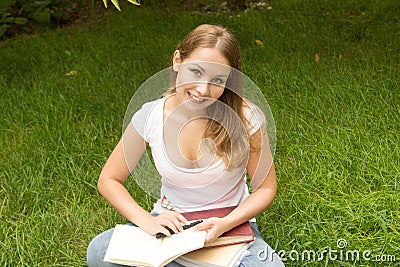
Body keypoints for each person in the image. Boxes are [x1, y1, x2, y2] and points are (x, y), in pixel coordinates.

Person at [87, 24, 284, 266]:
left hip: (230, 226)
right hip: (172, 227)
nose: (203, 89)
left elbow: (266, 188)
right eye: (196, 72)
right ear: (177, 60)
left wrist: (226, 223)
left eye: (217, 80)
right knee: (99, 251)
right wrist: (147, 221)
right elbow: (109, 179)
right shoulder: (151, 116)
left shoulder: (246, 118)